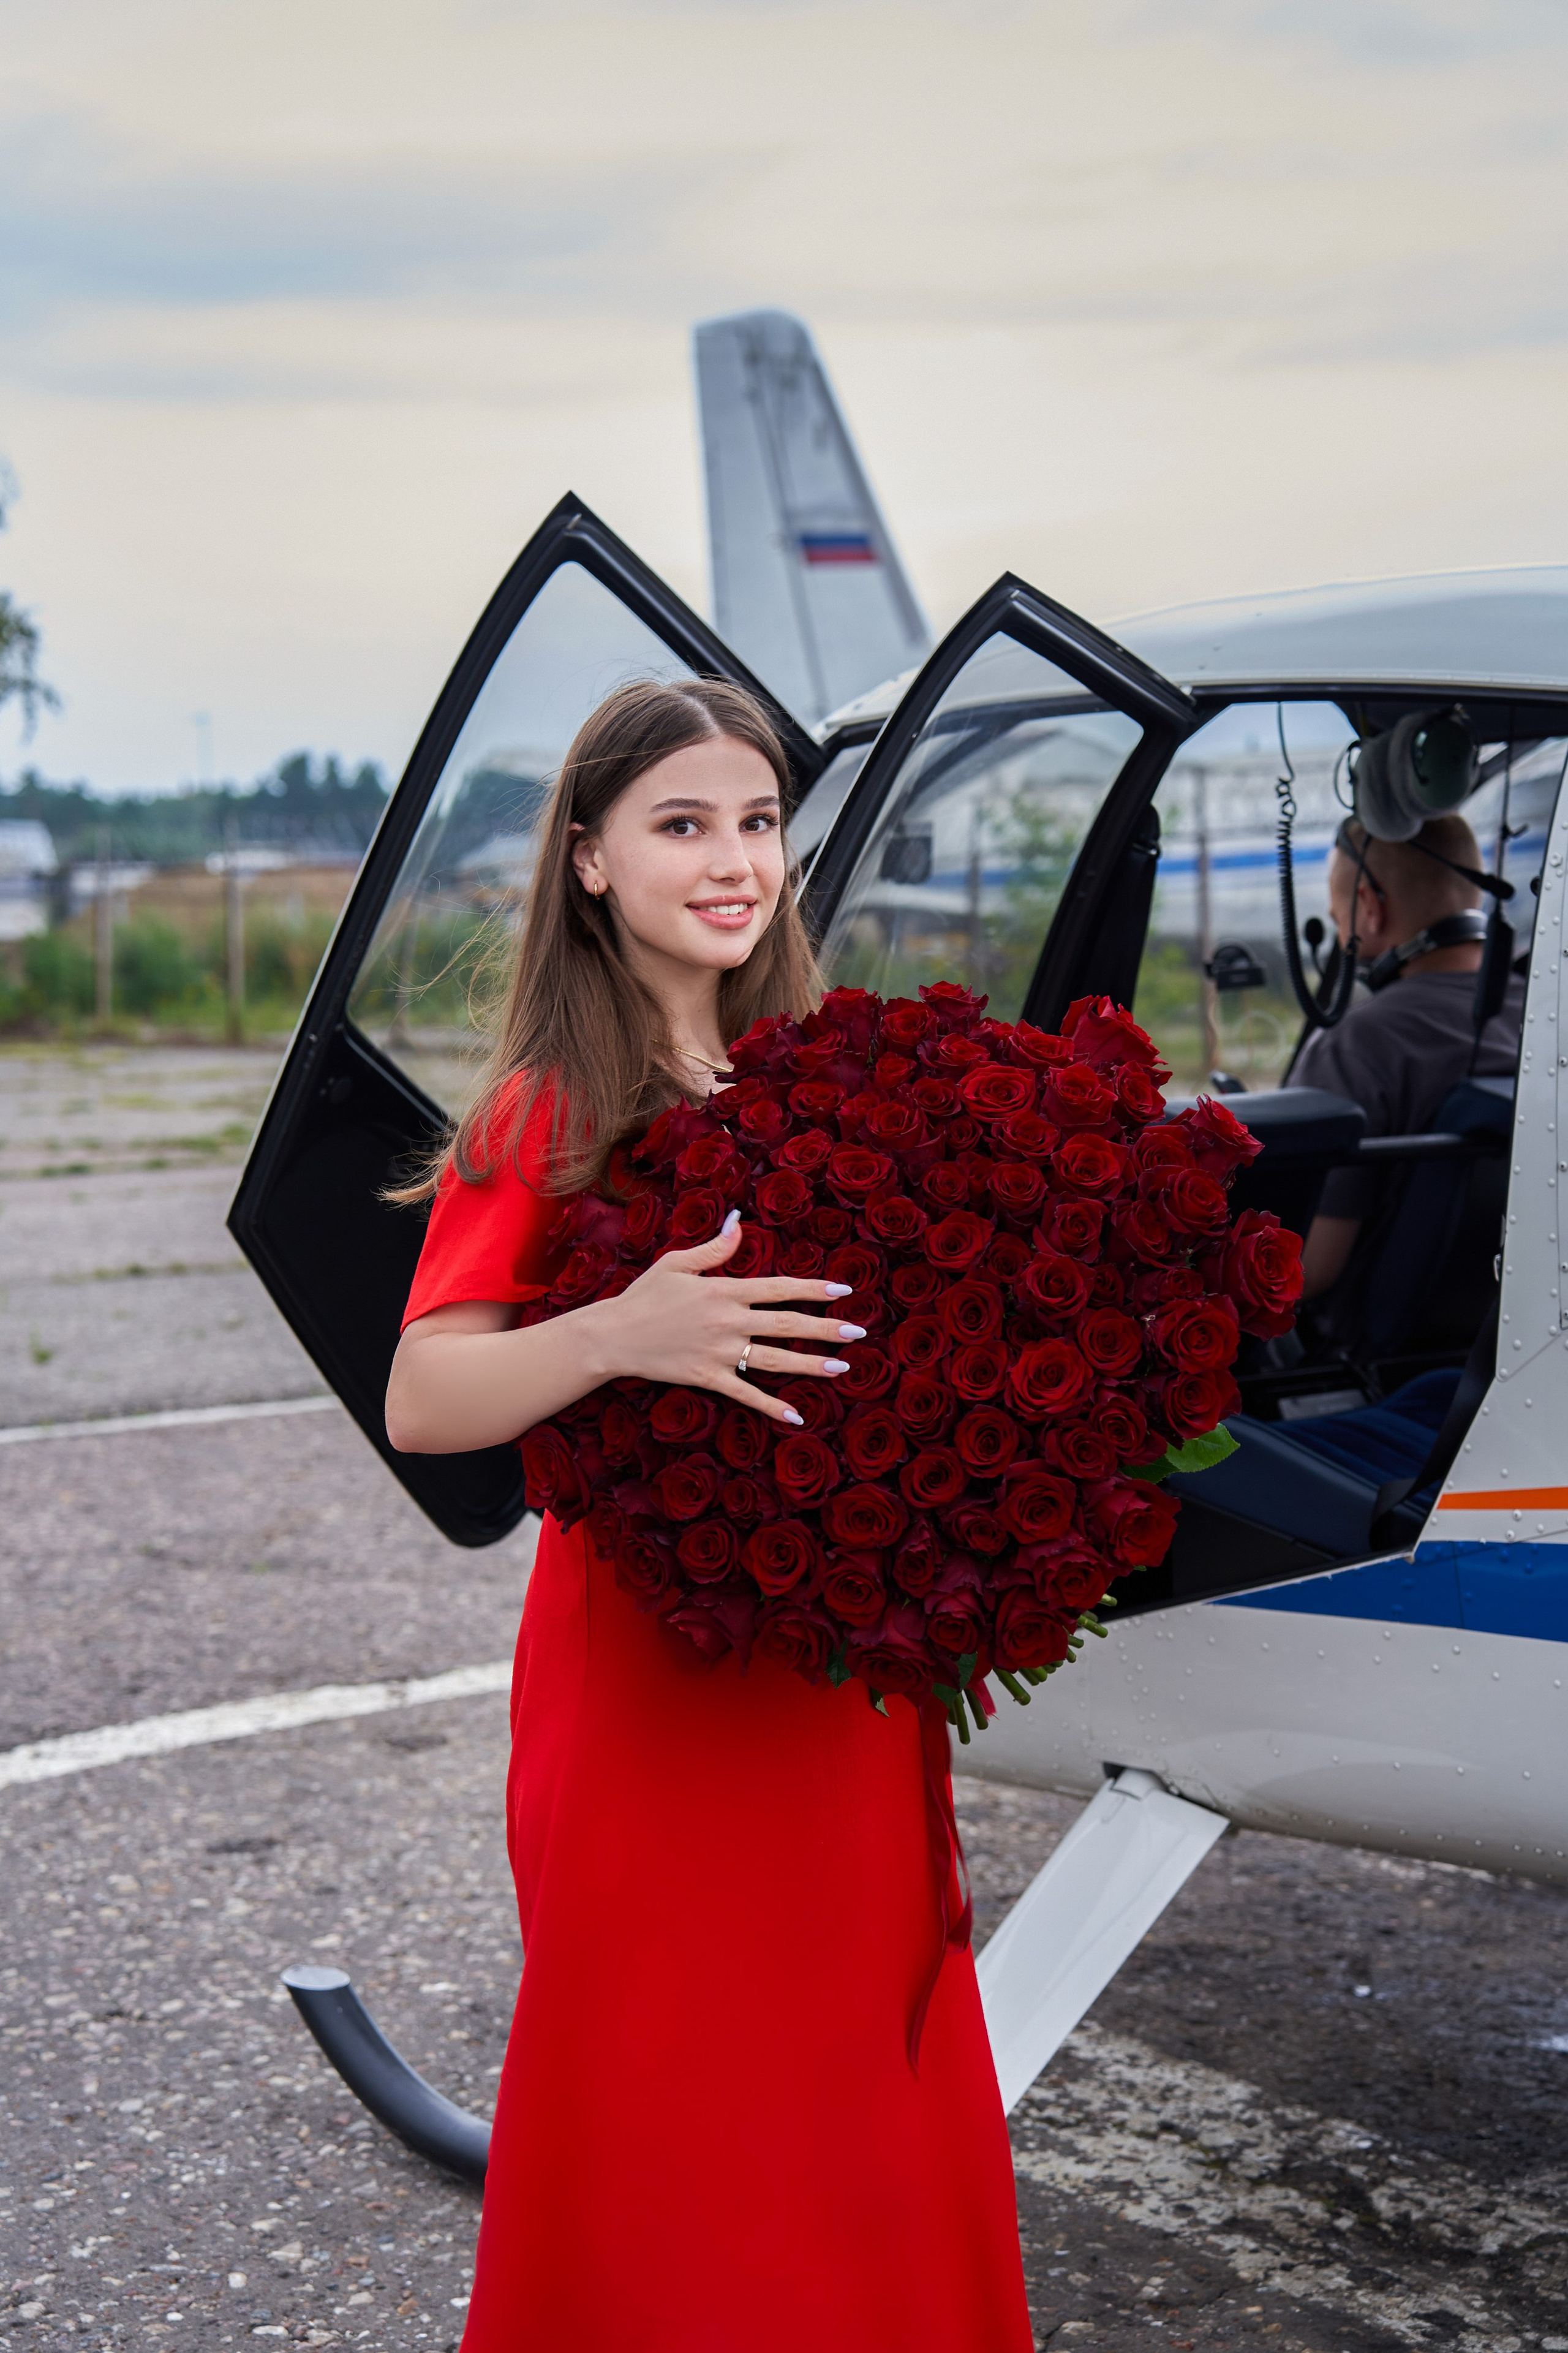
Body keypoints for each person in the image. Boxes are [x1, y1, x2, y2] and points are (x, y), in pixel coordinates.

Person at [383, 678, 1033, 2352]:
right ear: (590, 859)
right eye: (685, 826)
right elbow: (427, 1397)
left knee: (846, 2089)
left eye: (758, 824)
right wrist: (620, 1334)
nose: (737, 862)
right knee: (671, 2092)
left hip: (834, 1685)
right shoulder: (546, 1106)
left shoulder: (826, 1072)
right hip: (653, 1691)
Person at [1287, 810, 1523, 1317]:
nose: (1343, 933)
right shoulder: (1552, 1019)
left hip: (1376, 1357)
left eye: (1339, 919)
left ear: (1370, 908)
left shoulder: (1359, 1043)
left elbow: (1311, 1270)